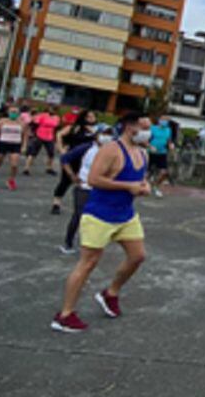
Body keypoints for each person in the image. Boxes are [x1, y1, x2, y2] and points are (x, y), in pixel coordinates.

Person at [51, 112, 152, 333]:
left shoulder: (142, 153)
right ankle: (65, 315)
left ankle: (111, 293)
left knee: (138, 256)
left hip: (126, 215)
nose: (148, 132)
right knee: (88, 263)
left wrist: (144, 187)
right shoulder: (111, 150)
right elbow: (94, 179)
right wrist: (128, 187)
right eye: (144, 127)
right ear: (129, 127)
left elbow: (140, 179)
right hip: (99, 214)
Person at [59, 125, 112, 255]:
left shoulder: (112, 151)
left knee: (99, 217)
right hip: (84, 187)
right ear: (97, 135)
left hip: (102, 188)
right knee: (80, 215)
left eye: (109, 134)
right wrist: (72, 175)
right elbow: (65, 159)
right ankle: (68, 242)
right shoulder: (87, 148)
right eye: (104, 133)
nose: (107, 137)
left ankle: (92, 244)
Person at [51, 109, 98, 214]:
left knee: (86, 182)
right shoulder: (75, 128)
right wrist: (61, 149)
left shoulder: (96, 130)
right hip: (72, 158)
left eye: (93, 117)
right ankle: (56, 203)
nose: (91, 119)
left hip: (88, 161)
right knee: (65, 181)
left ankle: (84, 205)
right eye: (88, 117)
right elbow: (59, 134)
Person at [0, 105, 28, 191]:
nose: (14, 114)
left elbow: (25, 136)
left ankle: (11, 180)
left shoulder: (22, 123)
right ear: (8, 112)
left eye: (15, 112)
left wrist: (24, 146)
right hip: (3, 143)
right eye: (12, 112)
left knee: (14, 165)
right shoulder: (2, 122)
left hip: (15, 144)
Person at [23, 106, 60, 175]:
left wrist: (56, 140)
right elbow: (34, 124)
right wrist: (31, 133)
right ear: (49, 109)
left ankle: (49, 168)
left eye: (55, 110)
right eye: (52, 109)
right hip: (39, 136)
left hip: (49, 137)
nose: (53, 111)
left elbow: (56, 128)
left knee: (51, 153)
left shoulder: (56, 118)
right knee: (33, 153)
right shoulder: (43, 115)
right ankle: (26, 169)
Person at [147, 115, 173, 198]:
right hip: (151, 152)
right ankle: (145, 186)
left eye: (167, 121)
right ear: (159, 120)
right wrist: (150, 146)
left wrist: (171, 145)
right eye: (164, 120)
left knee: (164, 172)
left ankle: (156, 186)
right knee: (146, 173)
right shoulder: (152, 128)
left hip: (162, 153)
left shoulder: (168, 130)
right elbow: (146, 139)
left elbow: (169, 140)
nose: (165, 122)